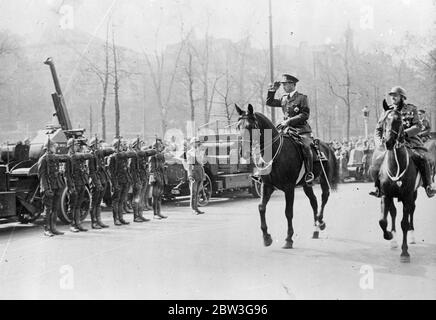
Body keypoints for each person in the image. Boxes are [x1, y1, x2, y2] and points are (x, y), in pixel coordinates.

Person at [369, 86, 436, 198]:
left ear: (402, 97)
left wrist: (405, 133)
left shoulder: (411, 109)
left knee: (422, 159)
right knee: (376, 161)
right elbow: (378, 129)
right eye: (391, 95)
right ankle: (377, 187)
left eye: (395, 95)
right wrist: (379, 142)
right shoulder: (387, 110)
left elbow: (418, 126)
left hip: (409, 143)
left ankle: (428, 186)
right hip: (389, 143)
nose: (393, 97)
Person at [266, 74, 314, 186]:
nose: (283, 86)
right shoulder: (283, 98)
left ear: (293, 84)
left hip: (301, 129)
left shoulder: (302, 98)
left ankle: (309, 174)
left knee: (306, 147)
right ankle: (265, 173)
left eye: (286, 84)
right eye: (283, 84)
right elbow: (269, 102)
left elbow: (305, 114)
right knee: (270, 142)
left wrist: (289, 121)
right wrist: (272, 91)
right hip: (286, 129)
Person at [37, 139, 67, 237]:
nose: (56, 148)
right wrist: (45, 189)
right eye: (54, 146)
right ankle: (47, 230)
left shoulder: (53, 158)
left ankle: (53, 228)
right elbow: (42, 176)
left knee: (55, 208)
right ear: (49, 148)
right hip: (49, 187)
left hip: (56, 186)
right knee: (48, 209)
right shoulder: (43, 159)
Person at [65, 138, 93, 232]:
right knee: (72, 205)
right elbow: (67, 175)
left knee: (78, 205)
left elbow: (89, 158)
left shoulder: (79, 156)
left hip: (81, 183)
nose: (78, 146)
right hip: (74, 184)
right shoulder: (68, 158)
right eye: (76, 145)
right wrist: (71, 187)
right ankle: (73, 224)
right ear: (71, 147)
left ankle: (78, 223)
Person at [88, 137, 113, 229]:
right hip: (95, 181)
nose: (99, 146)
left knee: (98, 202)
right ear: (93, 146)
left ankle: (99, 220)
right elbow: (91, 172)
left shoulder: (99, 153)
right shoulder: (91, 155)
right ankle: (94, 222)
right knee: (94, 203)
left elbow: (109, 151)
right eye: (97, 144)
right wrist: (97, 183)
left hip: (102, 179)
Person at [108, 138, 134, 226]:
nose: (122, 147)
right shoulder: (112, 158)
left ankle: (121, 218)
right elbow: (111, 173)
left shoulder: (123, 156)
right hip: (118, 182)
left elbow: (126, 169)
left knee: (122, 200)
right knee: (116, 201)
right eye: (120, 145)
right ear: (116, 147)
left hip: (125, 180)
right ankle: (116, 219)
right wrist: (115, 184)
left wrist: (129, 179)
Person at [186, 137, 207, 215]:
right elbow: (189, 165)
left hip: (200, 171)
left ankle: (196, 207)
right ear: (192, 144)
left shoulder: (199, 151)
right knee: (193, 192)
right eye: (196, 142)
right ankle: (193, 208)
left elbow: (203, 162)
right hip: (194, 171)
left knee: (198, 191)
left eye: (198, 142)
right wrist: (190, 175)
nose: (198, 144)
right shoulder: (190, 152)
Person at [149, 139, 167, 219]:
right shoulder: (152, 156)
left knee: (159, 196)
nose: (161, 147)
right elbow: (151, 168)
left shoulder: (160, 155)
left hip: (161, 176)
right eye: (159, 146)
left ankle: (159, 212)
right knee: (155, 196)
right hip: (156, 176)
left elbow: (163, 164)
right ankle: (155, 214)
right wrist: (153, 177)